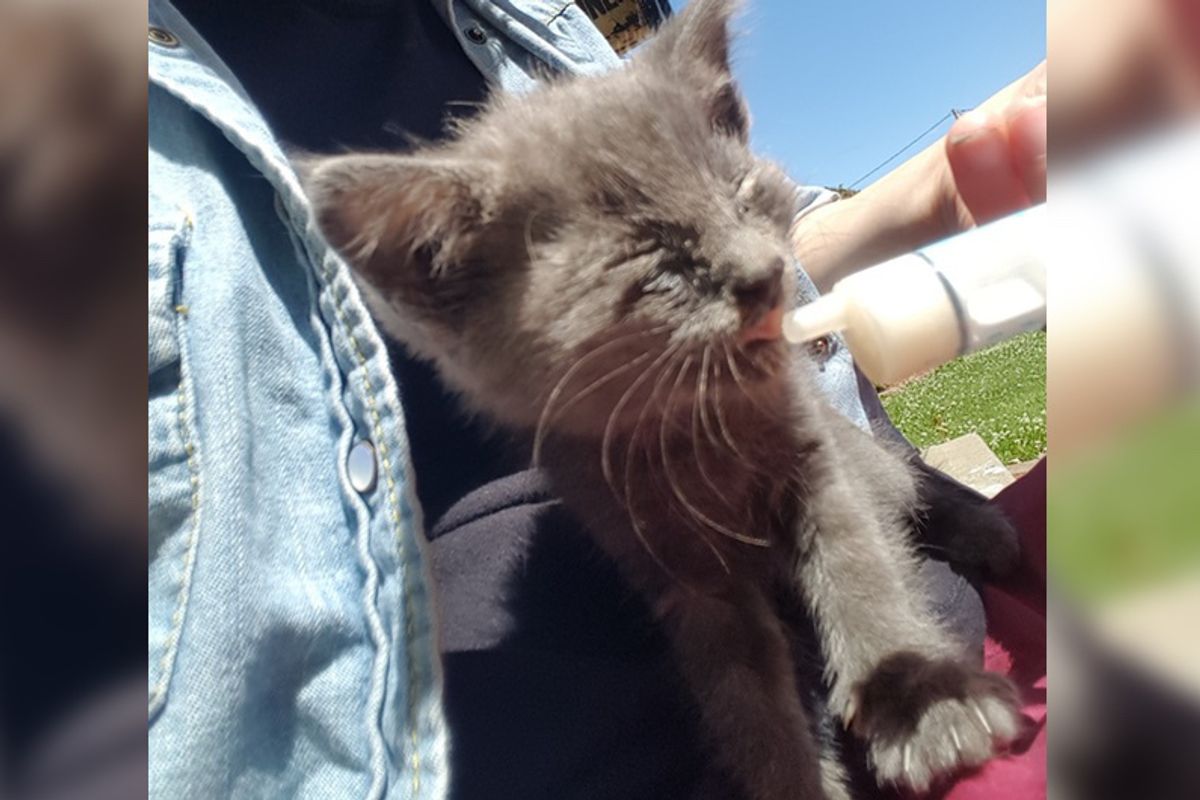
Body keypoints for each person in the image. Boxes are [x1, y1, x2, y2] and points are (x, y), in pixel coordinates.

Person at [141, 1, 1055, 797]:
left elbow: (779, 315)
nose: (754, 264)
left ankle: (932, 504)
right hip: (540, 717)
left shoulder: (525, 19)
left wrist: (941, 185)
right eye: (652, 270)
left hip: (912, 607)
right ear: (434, 276)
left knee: (831, 465)